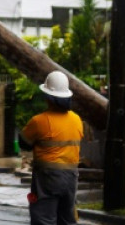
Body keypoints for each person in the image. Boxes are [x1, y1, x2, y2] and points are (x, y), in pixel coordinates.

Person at [20, 71, 84, 225]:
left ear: (48, 97)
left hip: (47, 178)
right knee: (67, 220)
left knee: (43, 219)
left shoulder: (39, 121)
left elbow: (24, 142)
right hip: (71, 178)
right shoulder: (76, 120)